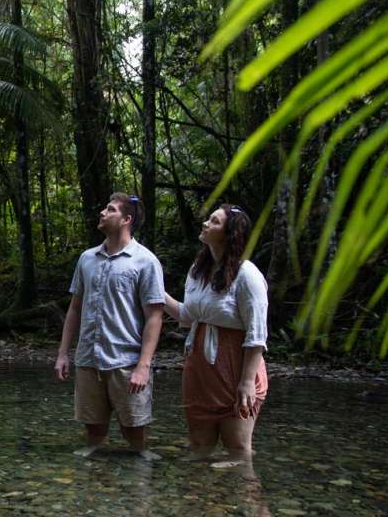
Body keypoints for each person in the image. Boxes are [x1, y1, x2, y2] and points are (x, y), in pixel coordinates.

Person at [54, 193, 166, 460]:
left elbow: (155, 316)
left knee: (135, 432)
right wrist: (62, 353)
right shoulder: (87, 259)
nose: (103, 213)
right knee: (93, 428)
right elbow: (75, 308)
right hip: (89, 358)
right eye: (105, 208)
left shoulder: (145, 261)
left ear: (127, 220)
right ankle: (94, 481)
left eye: (111, 209)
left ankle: (141, 477)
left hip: (126, 359)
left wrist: (143, 365)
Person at [163, 204, 268, 466]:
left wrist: (245, 383)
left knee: (238, 448)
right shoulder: (197, 270)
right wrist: (157, 293)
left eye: (214, 222)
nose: (205, 224)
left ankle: (246, 501)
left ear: (230, 234)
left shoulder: (247, 274)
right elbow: (187, 316)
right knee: (199, 447)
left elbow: (256, 334)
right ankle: (203, 502)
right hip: (199, 370)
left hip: (234, 371)